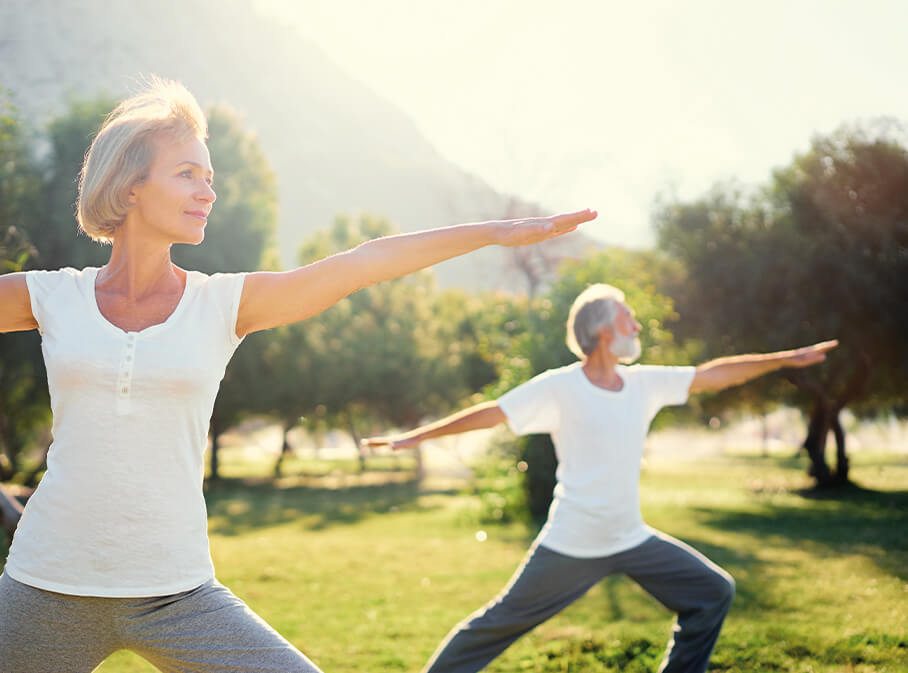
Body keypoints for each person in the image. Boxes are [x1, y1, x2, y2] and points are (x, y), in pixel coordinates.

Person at [0, 76, 596, 673]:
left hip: (175, 591)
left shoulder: (222, 304)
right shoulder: (55, 297)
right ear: (130, 186)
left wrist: (496, 233)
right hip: (47, 583)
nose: (207, 192)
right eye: (187, 174)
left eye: (210, 178)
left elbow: (364, 262)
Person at [363, 283, 837, 673]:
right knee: (493, 627)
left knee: (713, 593)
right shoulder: (560, 386)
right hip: (572, 542)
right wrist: (414, 438)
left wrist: (783, 359)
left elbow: (713, 375)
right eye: (628, 317)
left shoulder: (643, 382)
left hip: (629, 536)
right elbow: (494, 413)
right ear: (604, 331)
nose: (637, 325)